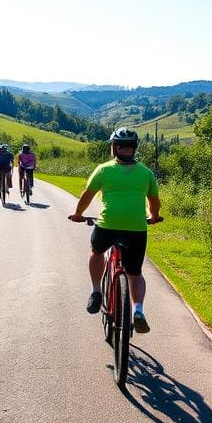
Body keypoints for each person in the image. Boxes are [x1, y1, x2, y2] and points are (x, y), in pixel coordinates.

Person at [68, 127, 161, 333]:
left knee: (96, 251)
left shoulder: (104, 169)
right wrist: (153, 218)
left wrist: (77, 214)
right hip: (136, 228)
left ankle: (95, 291)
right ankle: (138, 310)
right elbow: (154, 202)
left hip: (108, 225)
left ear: (114, 147)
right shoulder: (146, 173)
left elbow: (87, 195)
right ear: (133, 149)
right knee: (135, 273)